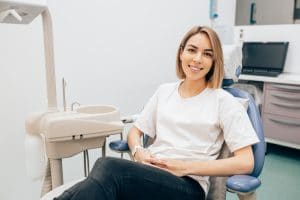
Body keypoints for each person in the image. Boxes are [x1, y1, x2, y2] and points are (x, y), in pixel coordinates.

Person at [55, 26, 259, 200]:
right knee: (103, 175)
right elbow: (135, 132)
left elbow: (246, 162)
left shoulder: (225, 102)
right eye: (192, 50)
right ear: (181, 53)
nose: (197, 59)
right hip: (151, 173)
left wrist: (186, 167)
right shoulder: (165, 92)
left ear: (215, 62)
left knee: (107, 167)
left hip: (187, 186)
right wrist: (138, 152)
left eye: (207, 54)